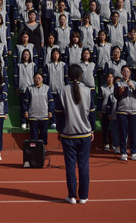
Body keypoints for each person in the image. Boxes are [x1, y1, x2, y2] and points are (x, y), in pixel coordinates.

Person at [54, 64, 94, 204]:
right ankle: (83, 196)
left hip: (68, 133)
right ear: (81, 75)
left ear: (68, 76)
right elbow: (92, 113)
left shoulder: (62, 90)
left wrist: (59, 130)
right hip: (84, 133)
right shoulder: (87, 90)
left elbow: (58, 114)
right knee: (84, 165)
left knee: (70, 166)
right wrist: (92, 129)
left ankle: (71, 196)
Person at [115, 65, 136, 161]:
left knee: (133, 132)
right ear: (121, 73)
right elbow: (116, 96)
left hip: (134, 110)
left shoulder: (134, 83)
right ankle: (123, 152)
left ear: (130, 73)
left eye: (127, 71)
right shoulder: (118, 83)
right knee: (123, 132)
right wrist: (120, 92)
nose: (126, 73)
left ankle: (133, 152)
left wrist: (133, 87)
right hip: (122, 110)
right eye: (124, 71)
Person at [25, 72, 53, 146]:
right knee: (33, 134)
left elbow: (50, 101)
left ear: (42, 79)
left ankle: (43, 147)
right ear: (33, 79)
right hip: (33, 115)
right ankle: (35, 149)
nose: (37, 80)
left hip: (44, 114)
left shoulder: (47, 88)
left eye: (39, 78)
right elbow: (26, 101)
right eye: (35, 78)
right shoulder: (29, 88)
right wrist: (26, 111)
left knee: (44, 133)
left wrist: (50, 111)